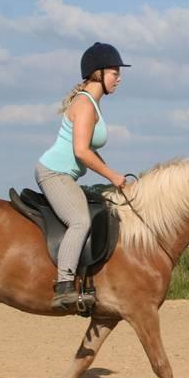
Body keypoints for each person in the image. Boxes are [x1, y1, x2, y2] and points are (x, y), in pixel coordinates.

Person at [35, 42, 130, 309]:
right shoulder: (86, 105)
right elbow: (81, 151)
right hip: (54, 173)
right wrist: (112, 176)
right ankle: (64, 285)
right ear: (97, 73)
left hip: (65, 175)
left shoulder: (92, 104)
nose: (119, 78)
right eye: (114, 72)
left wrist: (116, 176)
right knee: (79, 221)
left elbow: (88, 150)